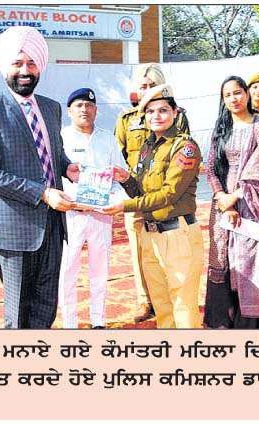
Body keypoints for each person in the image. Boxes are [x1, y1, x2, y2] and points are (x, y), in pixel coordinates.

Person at [0, 26, 79, 329]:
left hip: (53, 227)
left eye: (31, 63)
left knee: (46, 309)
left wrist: (67, 167)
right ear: (4, 67)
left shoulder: (51, 107)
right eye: (17, 63)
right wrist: (43, 193)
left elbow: (52, 153)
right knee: (18, 315)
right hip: (14, 229)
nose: (25, 71)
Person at [101, 84, 204, 328]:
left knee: (183, 305)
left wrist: (125, 206)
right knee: (162, 306)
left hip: (177, 234)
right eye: (150, 111)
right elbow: (142, 192)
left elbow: (169, 194)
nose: (156, 116)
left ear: (175, 113)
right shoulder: (147, 147)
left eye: (163, 110)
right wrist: (126, 179)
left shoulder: (185, 147)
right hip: (149, 234)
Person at [204, 76, 259, 329]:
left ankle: (252, 324)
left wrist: (237, 196)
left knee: (252, 259)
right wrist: (223, 199)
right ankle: (225, 322)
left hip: (253, 205)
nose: (234, 99)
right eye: (227, 95)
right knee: (223, 258)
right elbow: (211, 168)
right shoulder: (221, 129)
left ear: (247, 94)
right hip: (223, 207)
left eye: (238, 92)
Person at [114, 63, 190, 323]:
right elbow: (119, 154)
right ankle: (144, 300)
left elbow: (181, 152)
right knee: (139, 251)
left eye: (152, 86)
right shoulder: (127, 120)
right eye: (143, 86)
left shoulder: (178, 116)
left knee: (170, 252)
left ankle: (168, 296)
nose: (147, 90)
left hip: (166, 196)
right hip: (136, 195)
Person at [58, 88, 128, 329]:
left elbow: (119, 175)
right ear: (69, 111)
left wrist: (119, 198)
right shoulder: (60, 138)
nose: (84, 110)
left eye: (89, 106)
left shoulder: (107, 138)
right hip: (71, 214)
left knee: (100, 269)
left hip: (101, 215)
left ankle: (98, 320)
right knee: (68, 270)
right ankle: (70, 323)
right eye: (78, 106)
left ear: (96, 110)